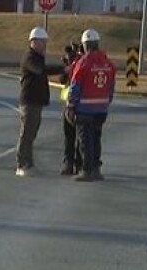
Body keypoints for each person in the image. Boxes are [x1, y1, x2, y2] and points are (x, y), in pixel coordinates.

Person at [15, 27, 66, 177]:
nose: (45, 45)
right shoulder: (29, 57)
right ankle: (21, 164)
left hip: (36, 102)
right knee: (27, 134)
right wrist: (63, 68)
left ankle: (28, 163)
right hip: (29, 102)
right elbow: (40, 70)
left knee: (31, 134)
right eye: (42, 42)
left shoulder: (37, 57)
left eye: (45, 42)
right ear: (34, 42)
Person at [66, 29, 116, 182]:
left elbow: (75, 86)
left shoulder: (83, 63)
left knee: (85, 141)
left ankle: (87, 170)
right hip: (101, 109)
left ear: (85, 45)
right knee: (96, 139)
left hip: (85, 108)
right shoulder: (108, 63)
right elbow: (111, 86)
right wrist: (107, 101)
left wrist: (71, 105)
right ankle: (96, 168)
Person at [59, 43, 84, 176]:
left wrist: (68, 66)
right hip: (76, 104)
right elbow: (63, 79)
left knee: (72, 137)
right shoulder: (81, 64)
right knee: (75, 137)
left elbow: (63, 79)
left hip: (74, 104)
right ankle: (74, 164)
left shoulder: (79, 65)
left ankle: (72, 163)